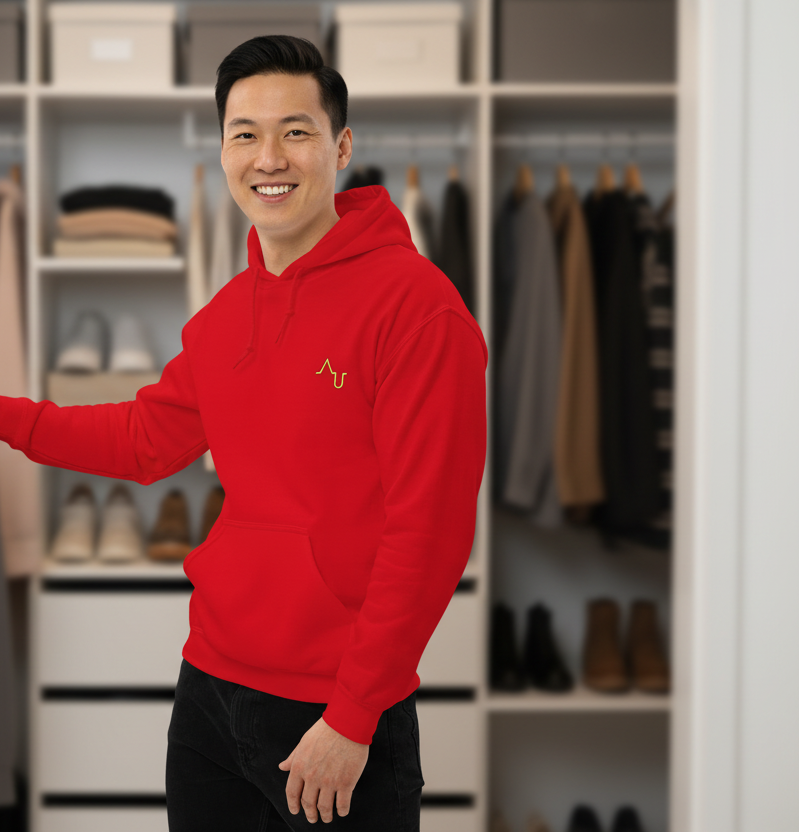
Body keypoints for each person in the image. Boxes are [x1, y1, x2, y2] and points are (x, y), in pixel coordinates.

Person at [0, 35, 488, 830]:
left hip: (333, 711)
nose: (270, 158)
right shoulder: (226, 316)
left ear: (341, 147)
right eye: (245, 134)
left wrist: (353, 715)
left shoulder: (418, 309)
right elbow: (143, 438)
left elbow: (429, 531)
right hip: (209, 692)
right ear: (223, 150)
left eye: (296, 131)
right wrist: (6, 416)